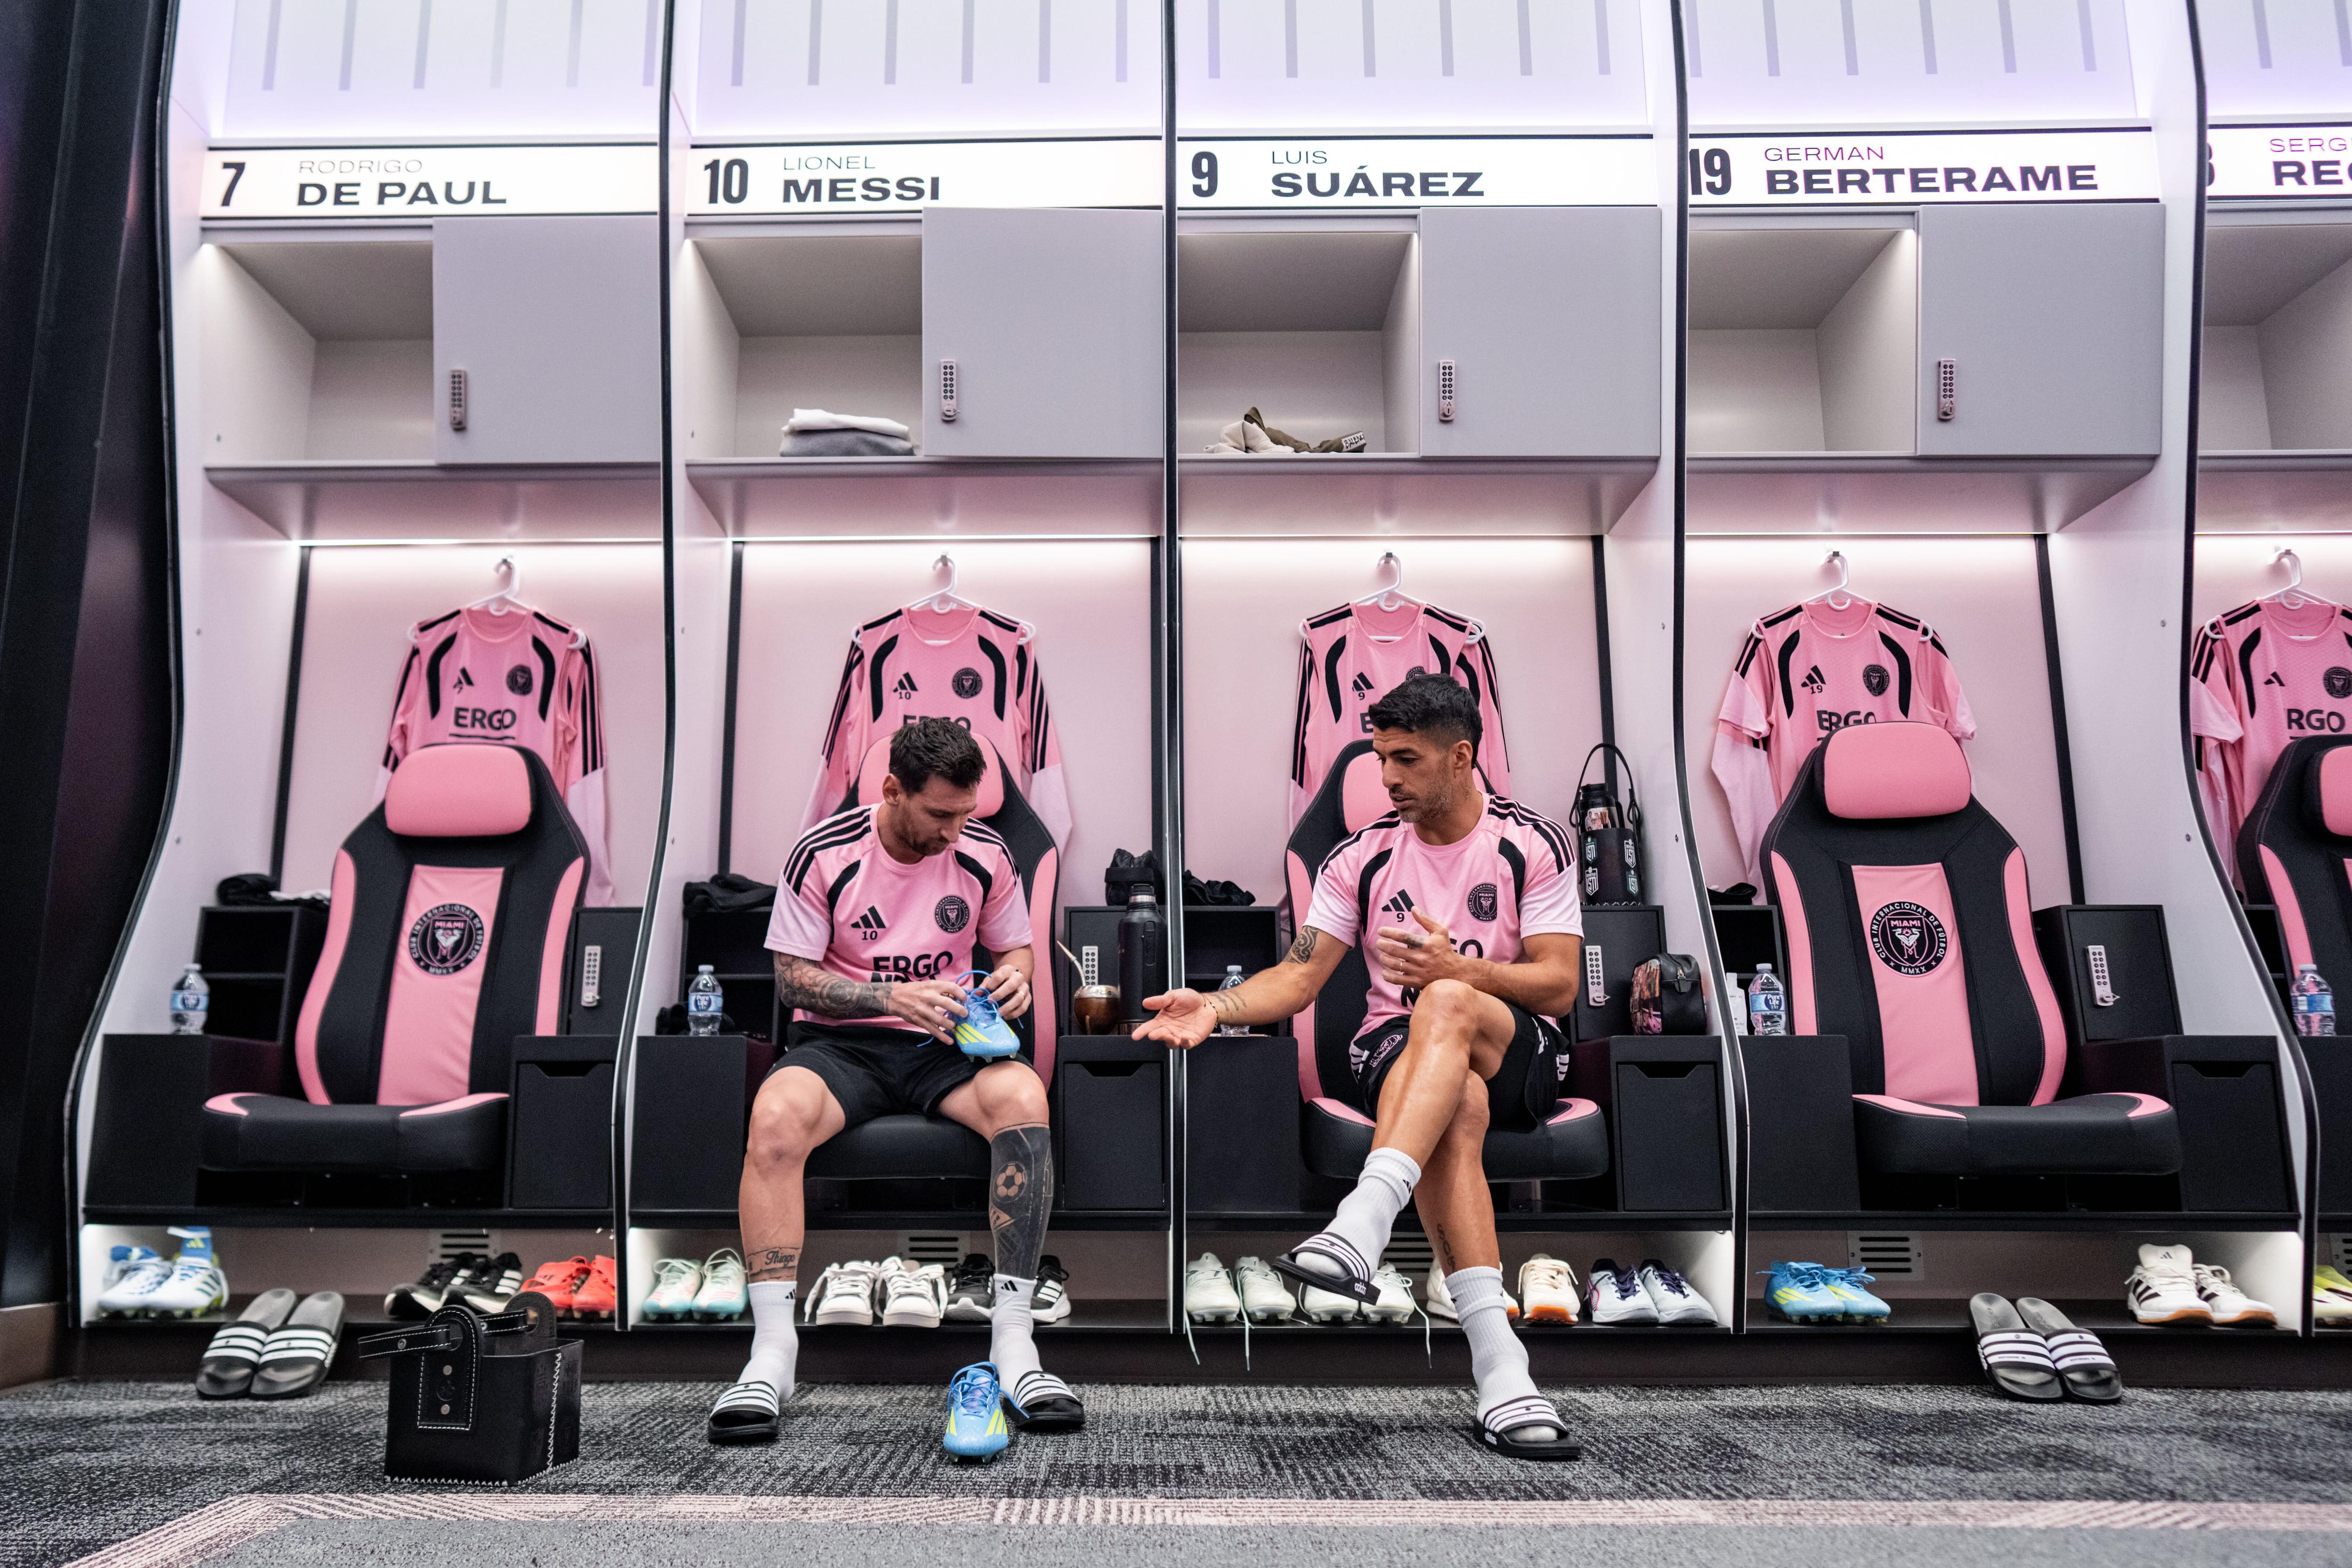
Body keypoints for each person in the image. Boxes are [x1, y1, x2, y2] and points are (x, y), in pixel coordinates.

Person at [1135, 671, 1585, 1459]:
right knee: (1460, 1110)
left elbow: (1559, 981)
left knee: (1445, 999)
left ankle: (1363, 1220)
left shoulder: (1530, 842)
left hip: (1514, 1043)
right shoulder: (1359, 857)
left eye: (1406, 759)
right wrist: (1215, 1006)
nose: (1388, 778)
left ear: (1462, 757)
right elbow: (1299, 976)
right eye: (1381, 758)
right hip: (1400, 1054)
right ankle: (1503, 1371)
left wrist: (1460, 968)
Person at [707, 718, 1081, 1450]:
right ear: (892, 790)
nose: (954, 832)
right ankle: (773, 1354)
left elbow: (1018, 948)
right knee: (776, 1114)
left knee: (1024, 1100)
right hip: (844, 1046)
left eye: (966, 813)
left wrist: (1014, 980)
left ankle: (1014, 1344)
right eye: (940, 814)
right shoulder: (823, 852)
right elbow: (791, 978)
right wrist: (885, 997)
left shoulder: (986, 852)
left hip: (946, 1045)